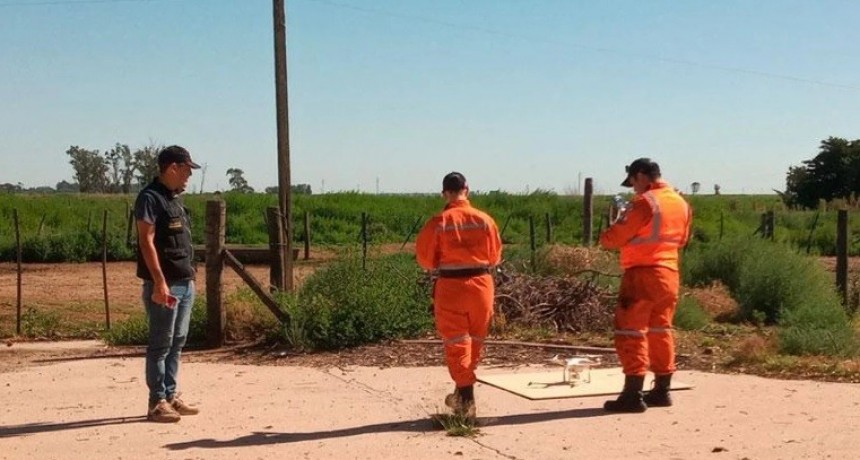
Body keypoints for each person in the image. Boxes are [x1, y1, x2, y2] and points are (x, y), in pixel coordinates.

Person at [599, 158, 692, 413]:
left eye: (633, 183)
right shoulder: (681, 203)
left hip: (642, 274)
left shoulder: (645, 202)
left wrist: (609, 230)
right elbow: (683, 239)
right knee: (660, 330)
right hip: (669, 273)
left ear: (641, 176)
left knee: (630, 331)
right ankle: (662, 390)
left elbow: (613, 239)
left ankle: (632, 394)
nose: (633, 189)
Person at [416, 172, 502, 420]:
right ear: (468, 189)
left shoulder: (438, 222)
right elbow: (495, 256)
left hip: (451, 287)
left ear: (444, 193)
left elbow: (425, 260)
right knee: (474, 342)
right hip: (482, 286)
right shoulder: (485, 220)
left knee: (456, 344)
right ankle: (461, 395)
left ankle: (466, 402)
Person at [134, 145, 201, 423]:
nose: (188, 176)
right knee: (161, 344)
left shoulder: (174, 199)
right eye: (186, 170)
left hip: (184, 282)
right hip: (166, 285)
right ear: (172, 167)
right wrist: (159, 282)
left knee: (177, 342)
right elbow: (146, 240)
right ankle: (157, 401)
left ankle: (171, 395)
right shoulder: (150, 198)